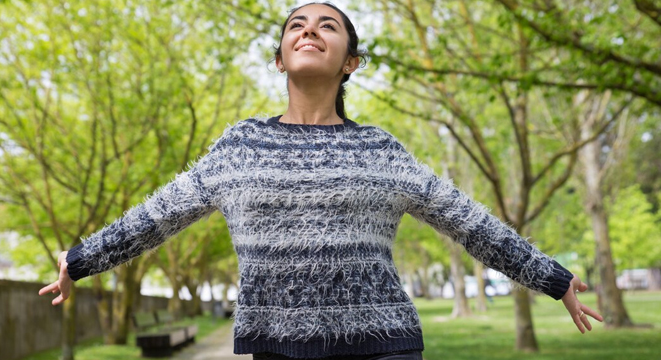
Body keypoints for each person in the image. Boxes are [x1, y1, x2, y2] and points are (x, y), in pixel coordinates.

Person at [39, 2, 603, 359]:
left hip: (385, 345)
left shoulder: (380, 149)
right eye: (297, 27)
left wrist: (553, 278)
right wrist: (82, 259)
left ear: (351, 61)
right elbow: (159, 214)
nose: (309, 31)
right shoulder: (239, 146)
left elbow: (468, 221)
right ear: (280, 58)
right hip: (277, 347)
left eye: (327, 26)